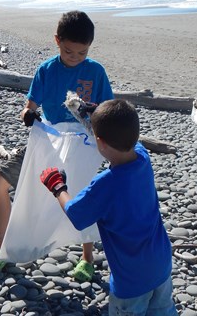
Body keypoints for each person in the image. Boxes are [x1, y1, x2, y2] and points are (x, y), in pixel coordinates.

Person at [0, 10, 114, 283]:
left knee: (83, 195)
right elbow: (29, 105)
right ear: (57, 41)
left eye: (82, 53)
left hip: (83, 144)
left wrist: (90, 111)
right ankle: (1, 245)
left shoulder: (96, 72)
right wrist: (28, 114)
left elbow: (106, 111)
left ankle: (87, 257)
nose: (75, 58)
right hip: (50, 139)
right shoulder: (47, 70)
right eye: (69, 52)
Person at [39, 99, 176, 315]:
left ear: (99, 142)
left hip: (131, 279)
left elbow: (75, 213)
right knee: (163, 310)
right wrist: (91, 117)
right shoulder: (142, 157)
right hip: (161, 262)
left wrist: (57, 187)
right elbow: (123, 138)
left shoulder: (106, 184)